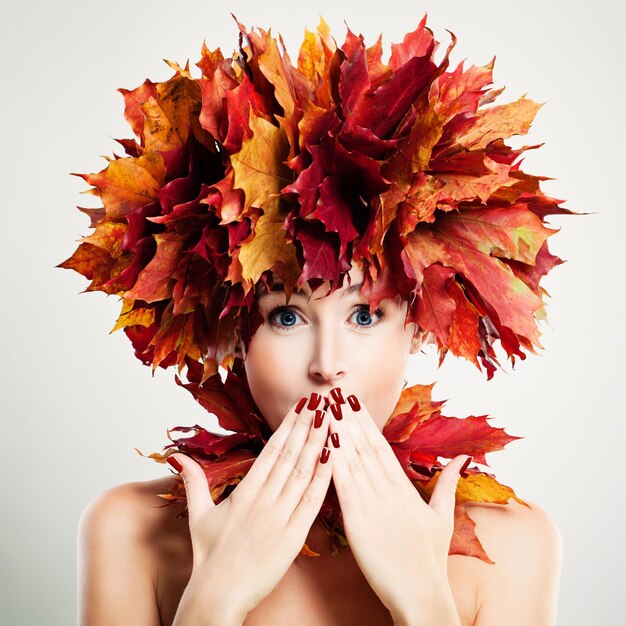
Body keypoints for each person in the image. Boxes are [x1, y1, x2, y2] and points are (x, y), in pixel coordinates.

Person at [65, 15, 567, 625]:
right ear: (234, 331)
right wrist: (213, 599)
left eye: (363, 314)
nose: (327, 366)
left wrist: (425, 601)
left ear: (417, 323)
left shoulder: (512, 545)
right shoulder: (131, 532)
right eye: (286, 318)